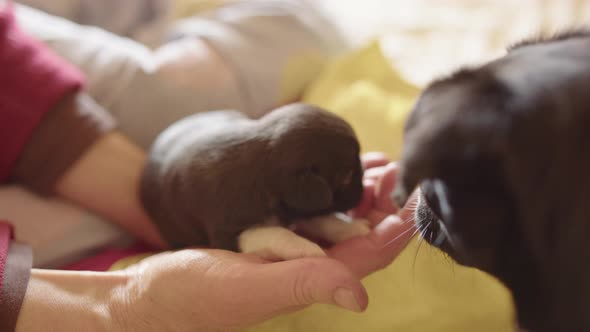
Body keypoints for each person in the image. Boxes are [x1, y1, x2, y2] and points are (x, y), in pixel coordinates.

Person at [0, 3, 416, 332]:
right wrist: (120, 307)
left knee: (298, 23)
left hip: (31, 88)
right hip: (33, 274)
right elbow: (243, 231)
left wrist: (132, 194)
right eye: (344, 181)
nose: (354, 189)